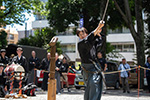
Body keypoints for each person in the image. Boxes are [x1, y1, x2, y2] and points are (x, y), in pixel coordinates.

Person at [77, 21, 104, 100]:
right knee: (89, 85)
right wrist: (98, 27)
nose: (82, 35)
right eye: (80, 34)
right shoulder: (81, 44)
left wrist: (98, 34)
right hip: (86, 68)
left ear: (86, 33)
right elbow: (89, 38)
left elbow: (98, 42)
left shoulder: (91, 42)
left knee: (94, 83)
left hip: (94, 66)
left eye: (83, 33)